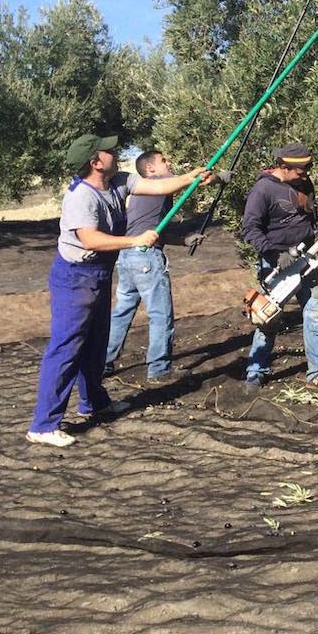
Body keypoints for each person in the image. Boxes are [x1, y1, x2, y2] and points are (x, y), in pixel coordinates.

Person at [26, 134, 210, 449]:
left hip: (99, 274)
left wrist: (189, 177)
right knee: (67, 348)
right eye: (108, 150)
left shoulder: (117, 180)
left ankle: (94, 402)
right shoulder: (81, 197)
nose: (115, 151)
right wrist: (135, 241)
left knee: (96, 344)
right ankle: (43, 425)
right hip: (75, 277)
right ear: (95, 162)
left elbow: (158, 186)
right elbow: (91, 240)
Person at [103, 149, 204, 382]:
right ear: (150, 169)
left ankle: (103, 363)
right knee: (161, 315)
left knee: (121, 313)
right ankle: (159, 370)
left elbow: (153, 231)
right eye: (163, 161)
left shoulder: (143, 193)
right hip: (146, 259)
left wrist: (184, 240)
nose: (169, 163)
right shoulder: (159, 182)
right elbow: (196, 179)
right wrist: (218, 177)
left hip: (128, 257)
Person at [241, 143, 318, 390]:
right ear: (283, 167)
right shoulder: (263, 189)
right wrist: (275, 253)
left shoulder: (304, 183)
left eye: (307, 168)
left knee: (314, 312)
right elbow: (249, 229)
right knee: (268, 316)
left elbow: (309, 215)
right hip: (276, 263)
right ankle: (256, 370)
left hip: (306, 260)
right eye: (301, 170)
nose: (305, 174)